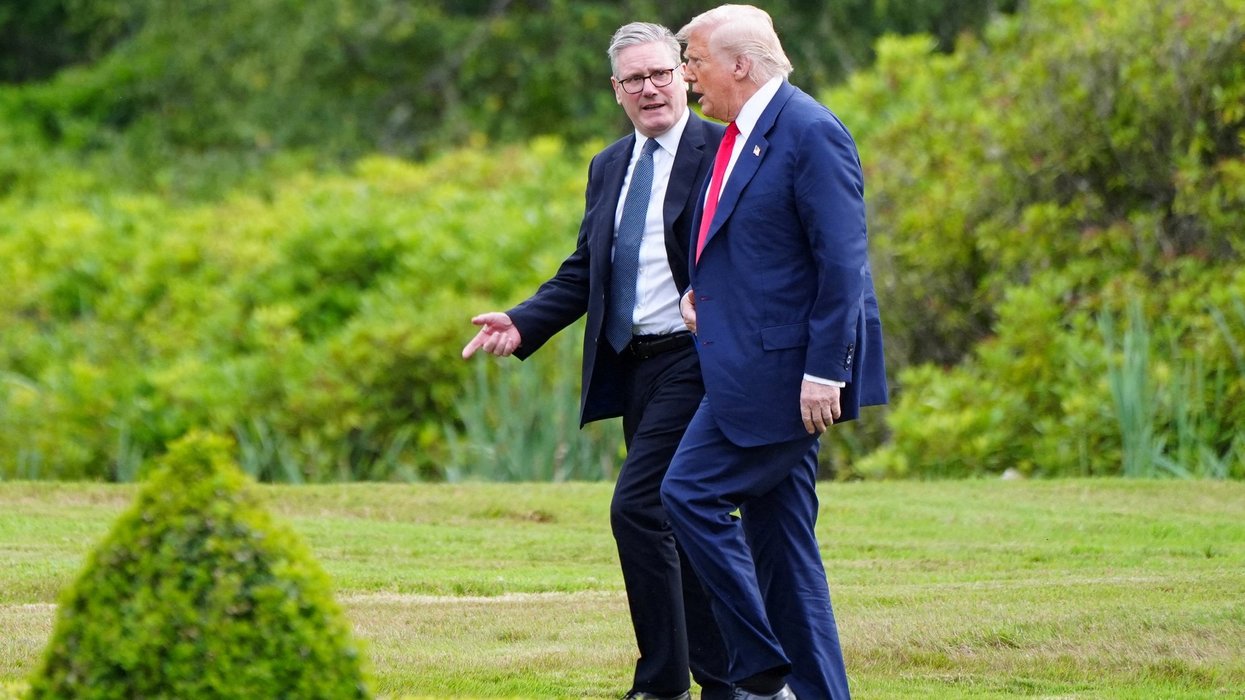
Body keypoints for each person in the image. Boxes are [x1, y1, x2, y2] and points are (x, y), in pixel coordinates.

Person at [461, 22, 731, 700]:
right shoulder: (609, 165)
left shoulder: (721, 150)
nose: (650, 89)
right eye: (634, 79)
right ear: (616, 90)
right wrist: (522, 320)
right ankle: (722, 680)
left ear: (683, 75)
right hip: (632, 366)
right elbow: (586, 269)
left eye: (660, 73)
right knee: (677, 517)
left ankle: (663, 684)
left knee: (638, 507)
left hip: (697, 361)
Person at [659, 5, 889, 700]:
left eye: (693, 61)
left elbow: (841, 261)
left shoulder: (810, 130)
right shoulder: (739, 134)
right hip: (746, 365)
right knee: (784, 552)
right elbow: (753, 245)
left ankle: (761, 671)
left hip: (787, 377)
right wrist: (700, 292)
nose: (686, 76)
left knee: (688, 494)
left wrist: (825, 370)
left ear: (738, 64)